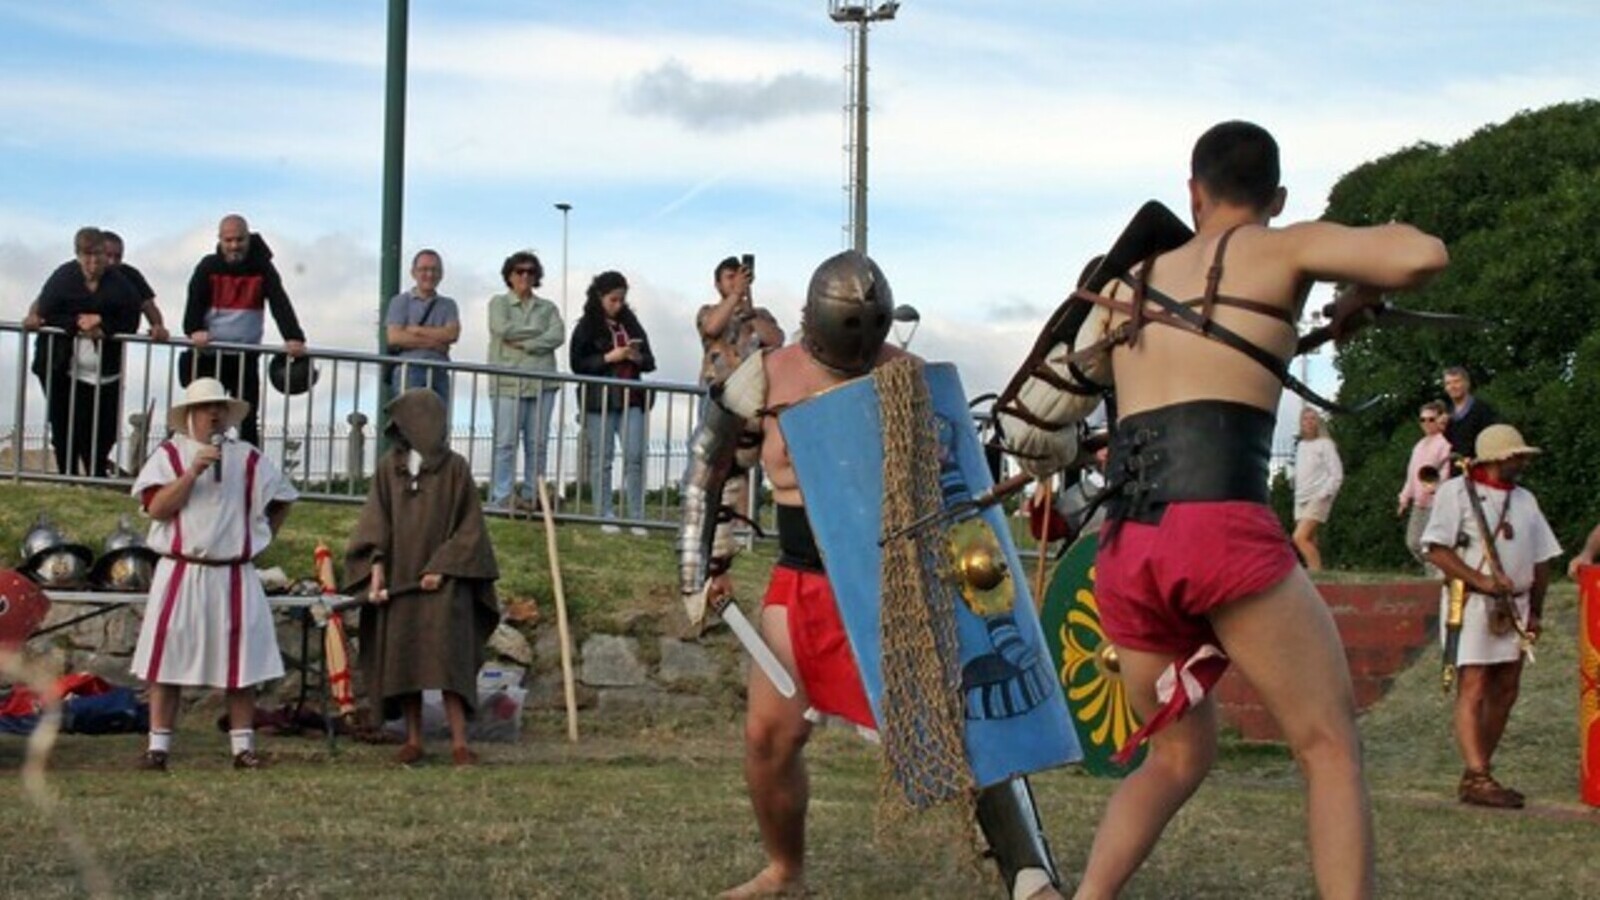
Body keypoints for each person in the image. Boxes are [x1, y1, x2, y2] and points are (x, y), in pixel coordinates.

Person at [1017, 121, 1448, 898]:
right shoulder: (1281, 248)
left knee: (1177, 755)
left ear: (1194, 190)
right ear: (1276, 198)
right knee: (1327, 744)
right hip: (1221, 532)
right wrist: (1358, 289)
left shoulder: (1126, 282)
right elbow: (1423, 254)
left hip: (1129, 550)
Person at [679, 251, 1065, 900]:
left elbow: (956, 490)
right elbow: (710, 468)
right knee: (769, 737)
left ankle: (1031, 878)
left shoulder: (911, 379)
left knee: (968, 729)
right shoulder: (765, 378)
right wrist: (703, 567)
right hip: (800, 581)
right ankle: (785, 871)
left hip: (900, 584)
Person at [128, 377, 299, 770]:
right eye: (207, 408)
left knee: (241, 665)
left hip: (233, 572)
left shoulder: (248, 457)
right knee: (167, 661)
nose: (215, 415)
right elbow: (155, 508)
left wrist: (261, 536)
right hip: (182, 570)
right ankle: (158, 748)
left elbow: (284, 497)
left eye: (220, 408)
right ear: (190, 415)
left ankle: (243, 748)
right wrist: (191, 474)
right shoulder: (169, 456)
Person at [344, 388, 500, 767]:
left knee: (449, 662)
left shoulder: (456, 469)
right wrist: (376, 567)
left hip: (446, 585)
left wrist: (442, 566)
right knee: (404, 660)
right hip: (401, 581)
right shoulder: (388, 468)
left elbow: (470, 530)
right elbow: (375, 520)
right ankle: (413, 740)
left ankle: (460, 742)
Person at [1423, 424, 1560, 808]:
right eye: (1517, 455)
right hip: (1474, 604)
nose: (1523, 461)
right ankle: (1479, 775)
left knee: (1506, 686)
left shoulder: (1526, 500)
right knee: (1476, 683)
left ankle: (1477, 773)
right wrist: (1480, 579)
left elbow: (1542, 559)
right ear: (1500, 457)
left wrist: (1535, 610)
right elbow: (1436, 550)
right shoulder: (1456, 493)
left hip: (1513, 607)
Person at [183, 214, 307, 447]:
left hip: (245, 357)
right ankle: (189, 465)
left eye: (239, 240)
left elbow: (280, 303)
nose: (234, 246)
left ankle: (251, 473)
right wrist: (194, 330)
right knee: (201, 415)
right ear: (219, 240)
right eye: (228, 240)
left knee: (248, 417)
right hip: (210, 356)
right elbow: (193, 303)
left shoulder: (263, 269)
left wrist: (293, 337)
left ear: (248, 239)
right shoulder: (207, 267)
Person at [30, 227, 144, 476]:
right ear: (78, 255)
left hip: (105, 372)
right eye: (87, 255)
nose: (93, 262)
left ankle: (95, 474)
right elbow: (46, 310)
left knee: (104, 430)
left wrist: (102, 323)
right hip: (64, 367)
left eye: (99, 255)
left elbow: (130, 319)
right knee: (64, 427)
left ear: (105, 255)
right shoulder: (63, 277)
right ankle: (67, 477)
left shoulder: (120, 283)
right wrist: (77, 323)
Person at [570, 271, 655, 535]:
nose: (618, 305)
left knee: (635, 457)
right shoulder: (585, 326)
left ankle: (637, 516)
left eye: (622, 300)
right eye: (613, 300)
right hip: (599, 401)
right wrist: (609, 357)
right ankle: (604, 513)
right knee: (602, 458)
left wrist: (636, 356)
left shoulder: (631, 323)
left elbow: (651, 361)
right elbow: (578, 364)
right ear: (599, 297)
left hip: (632, 399)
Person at [487, 251, 565, 512]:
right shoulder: (498, 303)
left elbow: (558, 335)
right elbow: (501, 329)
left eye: (530, 272)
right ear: (509, 275)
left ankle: (534, 496)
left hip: (543, 384)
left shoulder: (548, 307)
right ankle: (502, 496)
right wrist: (539, 335)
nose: (525, 276)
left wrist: (527, 343)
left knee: (538, 444)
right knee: (505, 442)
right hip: (507, 383)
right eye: (519, 271)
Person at [23, 230, 170, 340]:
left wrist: (158, 327)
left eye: (117, 256)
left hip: (105, 361)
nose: (111, 261)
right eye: (108, 255)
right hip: (63, 355)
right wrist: (33, 317)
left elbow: (145, 307)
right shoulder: (66, 275)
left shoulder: (128, 277)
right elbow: (44, 301)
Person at [385, 249, 460, 405]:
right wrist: (435, 343)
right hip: (409, 370)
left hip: (439, 372)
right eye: (424, 269)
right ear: (413, 273)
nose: (429, 274)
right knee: (410, 422)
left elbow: (452, 334)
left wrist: (416, 330)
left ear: (441, 274)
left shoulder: (448, 304)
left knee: (437, 425)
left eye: (434, 270)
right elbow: (394, 337)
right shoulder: (400, 302)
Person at [697, 255, 785, 386]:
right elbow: (711, 328)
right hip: (716, 390)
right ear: (718, 284)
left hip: (751, 392)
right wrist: (736, 294)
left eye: (740, 277)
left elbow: (777, 340)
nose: (737, 282)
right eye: (730, 277)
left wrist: (750, 313)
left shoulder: (761, 314)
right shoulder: (707, 311)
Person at [1398, 400, 1453, 572]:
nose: (1426, 423)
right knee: (1413, 541)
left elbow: (1446, 469)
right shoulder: (1419, 445)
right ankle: (1437, 570)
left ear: (1440, 419)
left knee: (1431, 542)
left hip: (1436, 502)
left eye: (1431, 419)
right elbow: (1411, 475)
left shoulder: (1445, 443)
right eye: (1423, 420)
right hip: (1418, 502)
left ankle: (1438, 575)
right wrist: (1404, 498)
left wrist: (1436, 488)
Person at [1292, 407, 1343, 572]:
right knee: (1310, 539)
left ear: (1318, 422)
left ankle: (1315, 572)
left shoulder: (1325, 444)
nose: (1309, 422)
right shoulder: (1301, 446)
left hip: (1318, 496)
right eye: (1305, 419)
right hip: (1301, 498)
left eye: (1312, 418)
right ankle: (1317, 575)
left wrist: (1324, 494)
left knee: (1299, 537)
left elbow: (1336, 474)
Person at [1442, 366, 1497, 460]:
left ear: (1467, 384)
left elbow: (1492, 440)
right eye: (1448, 383)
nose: (1452, 386)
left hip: (1479, 466)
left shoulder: (1481, 409)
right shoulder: (1446, 414)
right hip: (1455, 470)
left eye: (1456, 381)